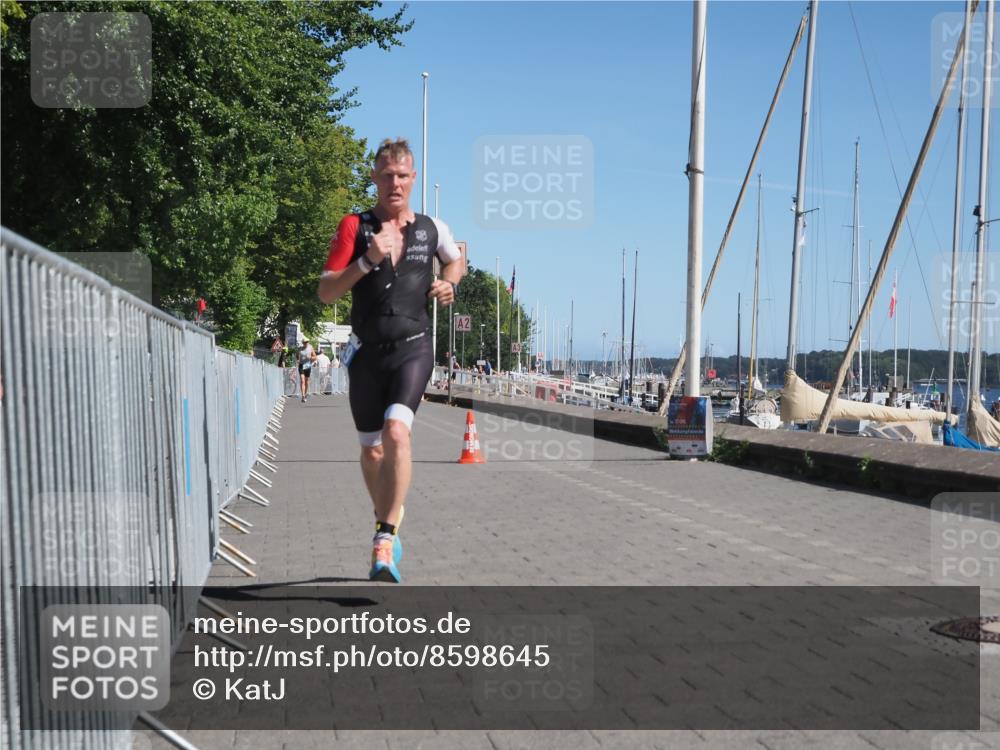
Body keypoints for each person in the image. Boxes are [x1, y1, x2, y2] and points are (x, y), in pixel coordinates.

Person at [317, 137, 464, 583]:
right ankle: (387, 521)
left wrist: (448, 283)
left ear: (413, 178)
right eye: (386, 176)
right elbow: (326, 292)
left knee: (397, 431)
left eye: (402, 176)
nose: (394, 183)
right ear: (375, 179)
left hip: (413, 347)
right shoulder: (354, 226)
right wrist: (367, 260)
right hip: (365, 353)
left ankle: (384, 535)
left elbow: (455, 263)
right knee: (372, 450)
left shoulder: (432, 229)